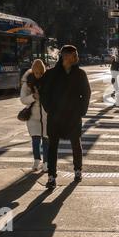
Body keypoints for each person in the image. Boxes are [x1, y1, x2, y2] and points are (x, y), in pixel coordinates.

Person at [40, 45, 91, 189]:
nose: (70, 58)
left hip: (73, 116)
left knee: (76, 144)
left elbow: (86, 93)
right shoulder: (51, 74)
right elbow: (44, 93)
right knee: (52, 146)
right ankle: (51, 176)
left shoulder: (80, 74)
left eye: (73, 56)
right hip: (55, 116)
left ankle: (77, 170)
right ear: (62, 56)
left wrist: (81, 111)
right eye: (67, 55)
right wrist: (49, 109)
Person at [20, 59, 49, 172]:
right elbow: (23, 99)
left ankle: (46, 162)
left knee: (46, 140)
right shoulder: (27, 83)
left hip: (47, 115)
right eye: (37, 73)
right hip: (33, 116)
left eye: (41, 73)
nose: (39, 75)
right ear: (33, 71)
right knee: (35, 139)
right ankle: (37, 160)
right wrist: (33, 97)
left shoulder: (48, 81)